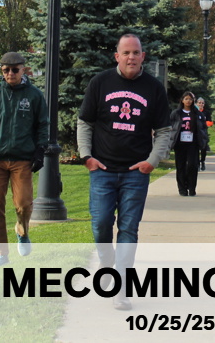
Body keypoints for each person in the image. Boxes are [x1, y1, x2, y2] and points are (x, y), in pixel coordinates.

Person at [77, 33, 173, 311]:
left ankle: (120, 287)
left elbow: (164, 130)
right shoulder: (100, 83)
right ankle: (107, 262)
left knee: (129, 229)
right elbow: (85, 122)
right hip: (103, 170)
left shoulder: (154, 88)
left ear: (143, 56)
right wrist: (87, 157)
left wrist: (152, 161)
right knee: (100, 224)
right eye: (126, 52)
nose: (131, 57)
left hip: (135, 174)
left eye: (136, 52)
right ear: (117, 56)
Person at [0, 52, 49, 268]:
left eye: (14, 70)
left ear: (23, 70)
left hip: (22, 159)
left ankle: (22, 232)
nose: (10, 74)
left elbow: (42, 125)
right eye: (6, 70)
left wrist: (40, 150)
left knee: (23, 204)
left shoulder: (34, 95)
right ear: (1, 71)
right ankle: (1, 253)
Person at [169, 92, 207, 196]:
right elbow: (171, 127)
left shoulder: (197, 114)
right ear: (182, 100)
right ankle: (182, 189)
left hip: (193, 143)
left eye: (190, 99)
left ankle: (192, 188)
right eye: (186, 99)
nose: (188, 101)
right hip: (180, 143)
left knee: (192, 165)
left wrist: (203, 141)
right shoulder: (176, 113)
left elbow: (203, 128)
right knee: (180, 166)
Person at [195, 97, 212, 170]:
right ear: (196, 104)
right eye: (199, 103)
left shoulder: (206, 112)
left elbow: (210, 122)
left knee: (203, 148)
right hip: (196, 132)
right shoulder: (194, 111)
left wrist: (205, 123)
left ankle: (202, 161)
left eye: (202, 103)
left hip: (203, 132)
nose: (201, 104)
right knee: (195, 148)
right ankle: (197, 163)